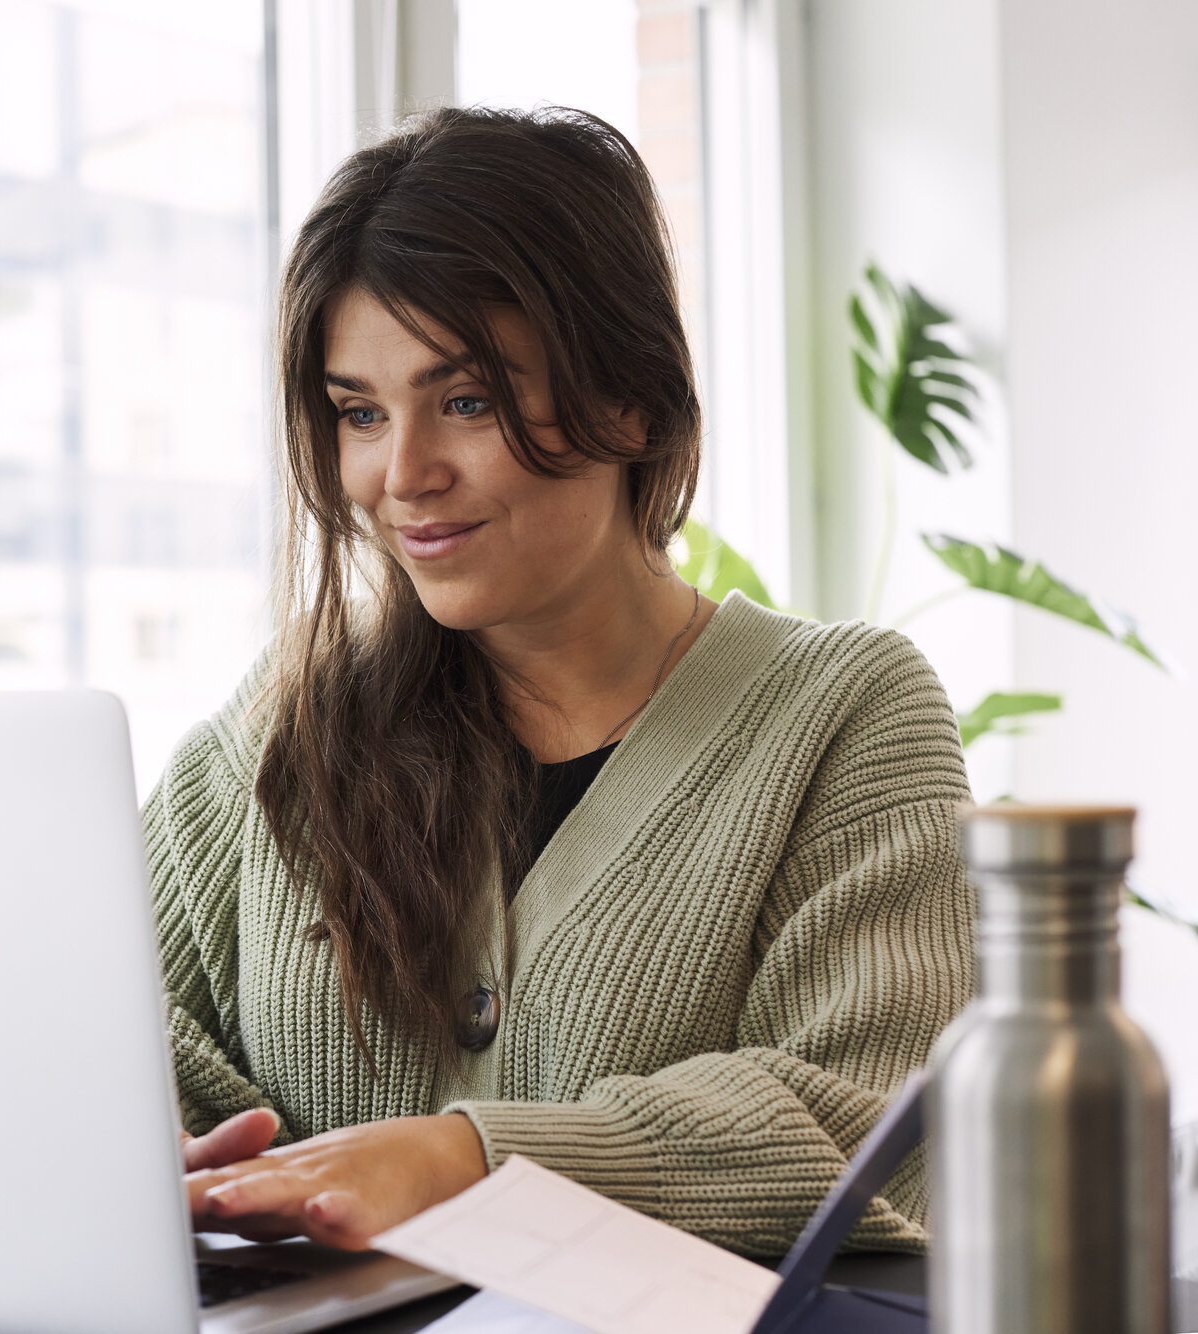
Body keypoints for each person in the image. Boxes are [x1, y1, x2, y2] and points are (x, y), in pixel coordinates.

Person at [152, 105, 975, 1259]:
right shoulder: (281, 727)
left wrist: (466, 1158)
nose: (402, 475)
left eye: (466, 400)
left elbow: (860, 1110)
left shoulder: (844, 713)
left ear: (627, 396)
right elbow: (112, 1034)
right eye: (358, 413)